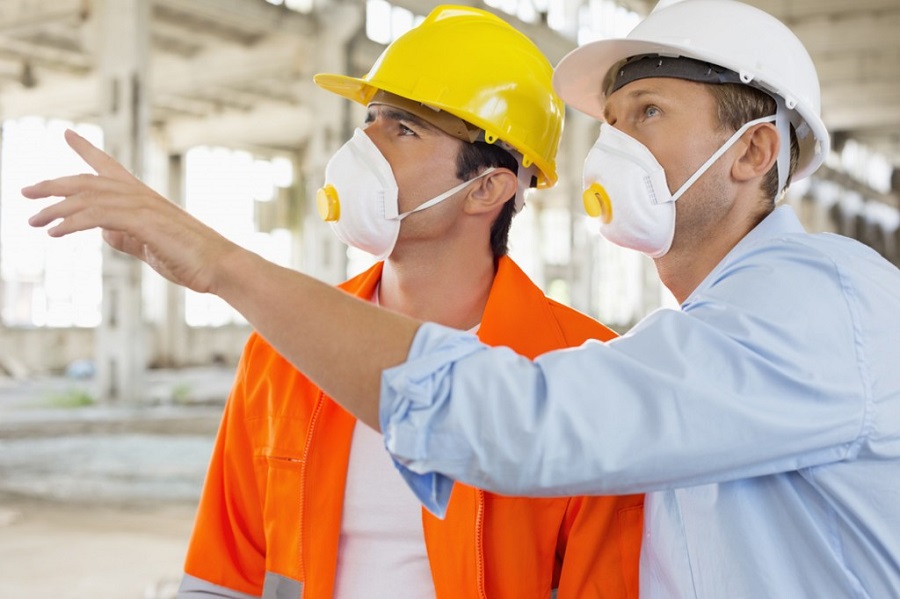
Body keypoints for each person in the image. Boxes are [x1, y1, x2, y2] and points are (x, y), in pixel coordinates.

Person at [23, 0, 900, 596]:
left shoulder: (818, 308)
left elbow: (515, 421)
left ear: (752, 154)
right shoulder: (674, 346)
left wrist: (223, 265)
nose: (615, 149)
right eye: (611, 122)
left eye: (647, 113)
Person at [177, 6, 641, 599]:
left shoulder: (583, 368)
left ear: (487, 187)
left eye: (403, 128)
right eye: (369, 118)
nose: (361, 146)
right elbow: (220, 580)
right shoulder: (282, 344)